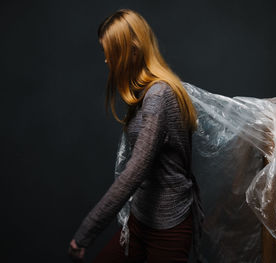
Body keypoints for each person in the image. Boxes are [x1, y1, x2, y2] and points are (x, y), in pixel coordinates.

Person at [68, 9, 204, 263]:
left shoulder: (158, 97)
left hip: (168, 229)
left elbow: (135, 171)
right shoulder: (146, 95)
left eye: (111, 51)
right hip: (140, 221)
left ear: (132, 50)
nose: (107, 60)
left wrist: (85, 233)